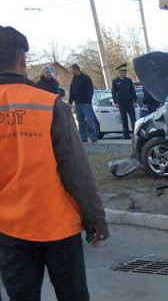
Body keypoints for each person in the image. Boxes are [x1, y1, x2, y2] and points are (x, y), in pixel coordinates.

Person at [0, 25, 109, 301]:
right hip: (58, 223)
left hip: (9, 229)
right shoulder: (49, 104)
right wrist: (94, 218)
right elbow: (75, 169)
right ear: (22, 59)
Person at [68, 63, 98, 143]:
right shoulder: (73, 80)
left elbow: (90, 90)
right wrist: (70, 102)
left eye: (72, 70)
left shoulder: (85, 78)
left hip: (86, 103)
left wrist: (88, 101)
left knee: (89, 120)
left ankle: (93, 136)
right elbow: (72, 92)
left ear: (76, 69)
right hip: (77, 103)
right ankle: (83, 137)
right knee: (80, 121)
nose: (71, 72)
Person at [111, 63, 137, 139]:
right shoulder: (115, 81)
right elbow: (113, 92)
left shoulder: (129, 80)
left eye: (125, 72)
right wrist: (115, 102)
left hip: (129, 102)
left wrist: (134, 101)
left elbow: (133, 91)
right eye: (123, 72)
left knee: (133, 119)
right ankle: (126, 134)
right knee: (124, 119)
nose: (124, 73)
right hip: (121, 103)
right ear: (119, 72)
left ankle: (135, 133)